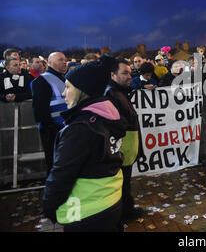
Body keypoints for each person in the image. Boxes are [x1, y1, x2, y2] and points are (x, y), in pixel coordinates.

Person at [42, 55, 125, 232]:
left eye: (68, 87)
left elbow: (61, 174)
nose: (64, 93)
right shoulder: (108, 116)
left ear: (82, 91)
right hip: (111, 201)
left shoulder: (80, 128)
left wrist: (49, 207)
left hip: (86, 211)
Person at [105, 58, 144, 223]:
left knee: (125, 182)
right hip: (122, 149)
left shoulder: (119, 92)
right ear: (113, 75)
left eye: (130, 72)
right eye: (125, 73)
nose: (129, 76)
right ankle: (123, 214)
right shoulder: (111, 94)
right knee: (122, 182)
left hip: (127, 148)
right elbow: (115, 122)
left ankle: (126, 210)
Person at [31, 52, 68, 175]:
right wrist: (51, 127)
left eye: (65, 60)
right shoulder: (42, 80)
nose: (64, 62)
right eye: (60, 60)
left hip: (66, 128)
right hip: (52, 130)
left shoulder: (65, 78)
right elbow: (40, 109)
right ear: (50, 63)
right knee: (54, 164)